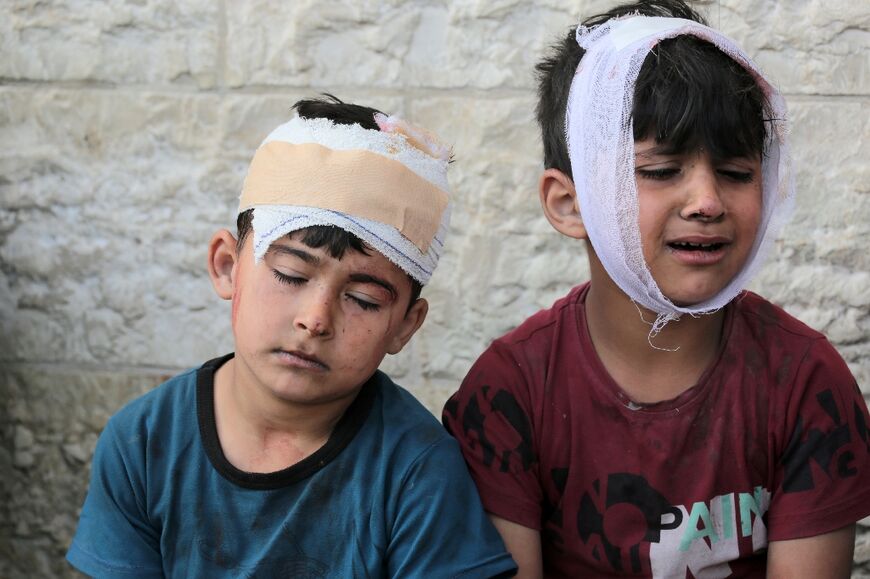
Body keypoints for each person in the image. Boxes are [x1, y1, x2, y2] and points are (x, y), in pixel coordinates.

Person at [442, 1, 870, 577]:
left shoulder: (806, 381)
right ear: (570, 204)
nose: (707, 201)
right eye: (661, 170)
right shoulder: (508, 394)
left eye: (738, 173)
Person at [67, 95, 517, 578]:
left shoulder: (418, 472)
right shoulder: (144, 442)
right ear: (227, 267)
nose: (316, 319)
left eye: (363, 300)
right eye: (290, 274)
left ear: (406, 324)